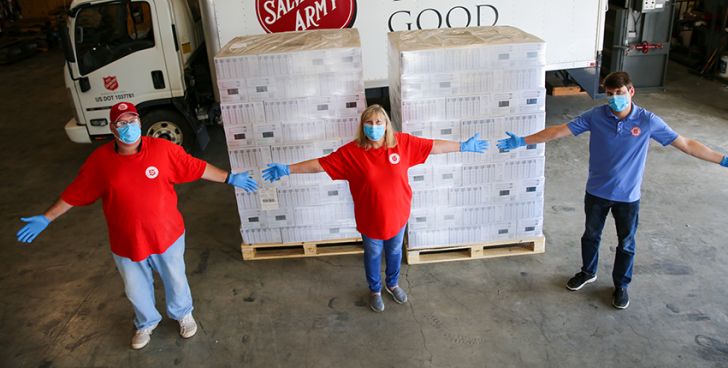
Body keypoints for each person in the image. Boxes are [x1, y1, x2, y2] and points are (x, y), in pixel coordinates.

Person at [497, 71, 728, 310]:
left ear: (631, 91)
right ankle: (588, 272)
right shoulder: (596, 116)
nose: (614, 99)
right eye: (609, 94)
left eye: (619, 93)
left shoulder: (647, 121)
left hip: (628, 197)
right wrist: (522, 141)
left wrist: (726, 160)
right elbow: (557, 132)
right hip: (597, 192)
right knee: (591, 235)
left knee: (626, 243)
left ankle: (621, 285)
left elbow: (687, 144)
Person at [16, 102, 259, 349]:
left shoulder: (163, 149)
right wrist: (47, 217)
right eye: (122, 122)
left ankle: (183, 313)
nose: (128, 126)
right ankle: (146, 322)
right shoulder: (100, 162)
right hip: (127, 242)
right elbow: (75, 193)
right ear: (112, 128)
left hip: (167, 235)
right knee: (135, 289)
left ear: (140, 123)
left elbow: (196, 167)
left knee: (175, 279)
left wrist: (229, 177)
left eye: (132, 120)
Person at [262, 104, 488, 312]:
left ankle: (392, 284)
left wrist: (462, 146)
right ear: (362, 126)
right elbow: (319, 165)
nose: (374, 127)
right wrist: (288, 169)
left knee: (395, 251)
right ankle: (375, 289)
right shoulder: (351, 153)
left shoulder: (403, 143)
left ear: (387, 125)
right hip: (370, 219)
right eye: (369, 123)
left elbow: (433, 146)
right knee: (373, 253)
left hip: (398, 215)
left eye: (379, 122)